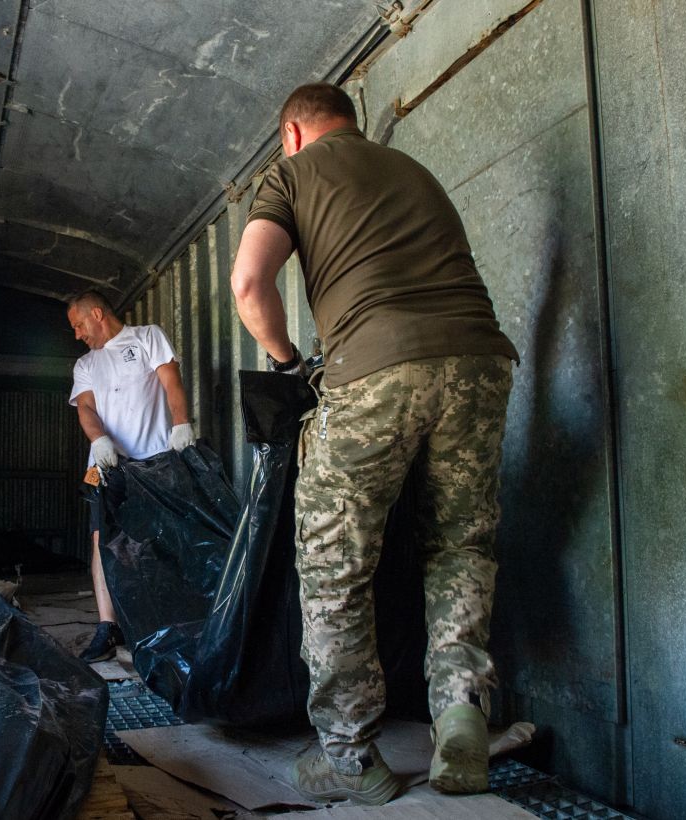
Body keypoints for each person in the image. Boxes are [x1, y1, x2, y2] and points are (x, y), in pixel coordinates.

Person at [229, 83, 518, 805]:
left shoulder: (291, 173)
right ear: (351, 124)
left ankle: (351, 755)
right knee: (460, 543)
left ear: (293, 133)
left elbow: (247, 282)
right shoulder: (412, 170)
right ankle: (461, 715)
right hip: (479, 361)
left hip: (374, 372)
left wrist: (289, 361)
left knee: (335, 565)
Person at [67, 289, 196, 663]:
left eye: (79, 325)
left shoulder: (147, 338)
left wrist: (181, 424)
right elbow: (86, 409)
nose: (77, 334)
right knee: (100, 539)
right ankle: (108, 627)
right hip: (105, 465)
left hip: (155, 461)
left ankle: (168, 619)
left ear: (96, 314)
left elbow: (172, 383)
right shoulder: (86, 365)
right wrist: (99, 439)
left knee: (162, 538)